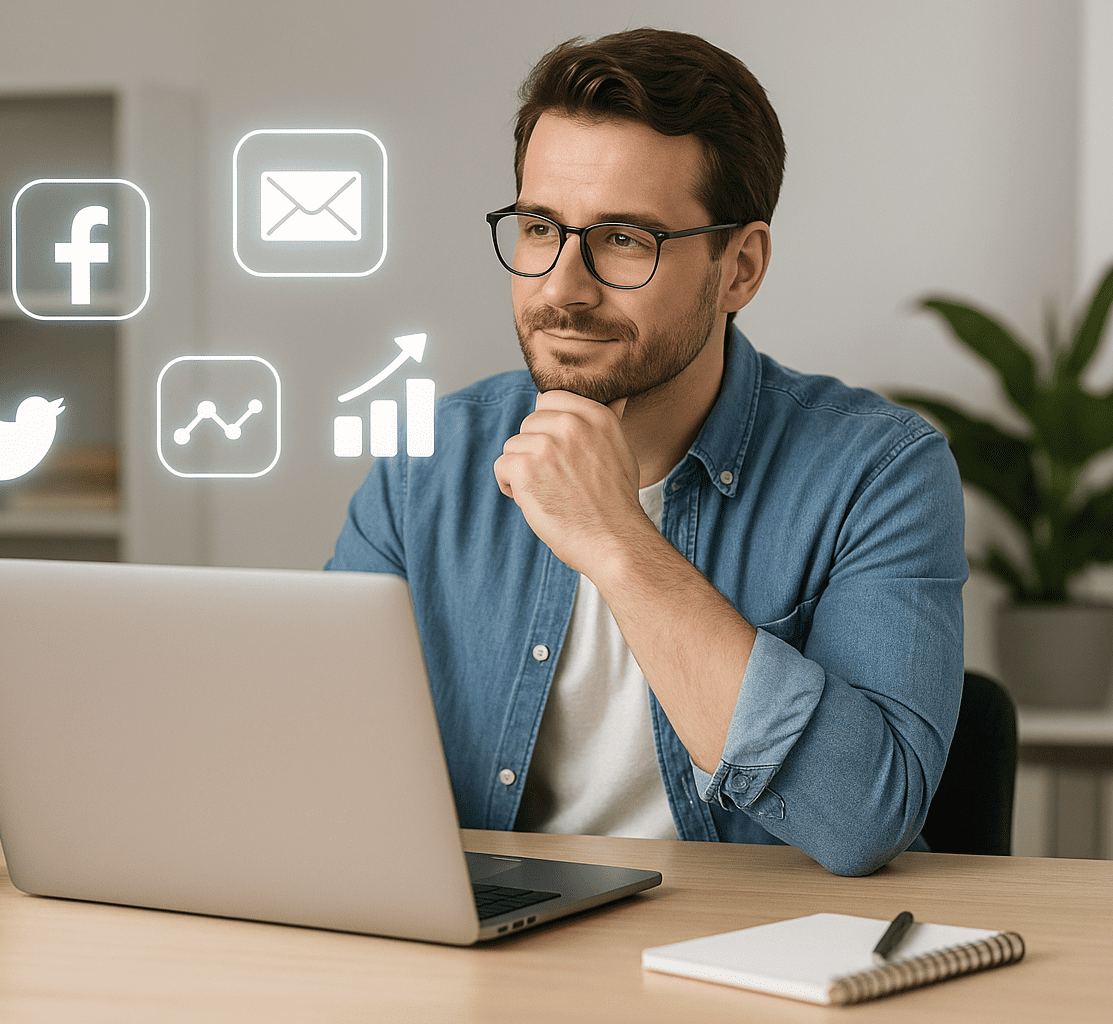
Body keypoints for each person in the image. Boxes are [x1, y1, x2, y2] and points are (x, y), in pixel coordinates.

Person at [328, 28, 967, 876]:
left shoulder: (880, 472)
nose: (561, 286)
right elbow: (321, 765)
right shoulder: (425, 464)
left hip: (759, 968)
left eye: (625, 239)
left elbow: (862, 818)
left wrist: (616, 542)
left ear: (739, 267)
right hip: (496, 961)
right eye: (538, 227)